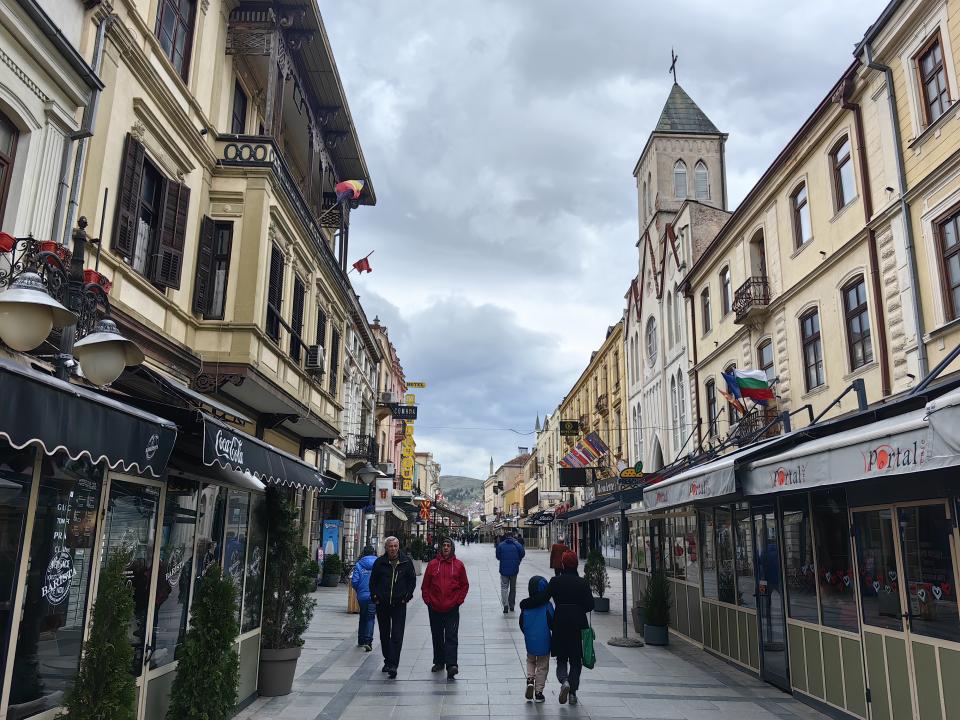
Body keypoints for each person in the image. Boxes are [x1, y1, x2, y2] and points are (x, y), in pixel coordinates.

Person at [548, 551, 594, 706]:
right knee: (575, 660)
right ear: (576, 564)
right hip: (577, 625)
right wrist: (578, 609)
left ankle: (564, 681)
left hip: (560, 622)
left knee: (561, 658)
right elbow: (590, 605)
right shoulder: (582, 583)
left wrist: (527, 603)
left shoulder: (555, 581)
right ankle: (572, 693)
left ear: (563, 564)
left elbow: (543, 598)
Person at [421, 537, 469, 679]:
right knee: (437, 636)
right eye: (444, 545)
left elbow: (464, 585)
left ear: (452, 548)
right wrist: (428, 601)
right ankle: (439, 662)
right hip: (434, 607)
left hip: (452, 607)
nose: (446, 547)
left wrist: (458, 601)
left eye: (448, 545)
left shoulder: (458, 565)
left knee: (451, 636)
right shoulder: (432, 564)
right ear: (440, 548)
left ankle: (452, 665)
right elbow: (425, 585)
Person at [369, 536, 417, 678]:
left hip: (399, 604)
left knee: (397, 635)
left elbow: (412, 580)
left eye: (395, 546)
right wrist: (375, 596)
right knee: (384, 634)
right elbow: (373, 582)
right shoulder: (379, 562)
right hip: (382, 604)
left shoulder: (406, 562)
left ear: (398, 546)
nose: (393, 549)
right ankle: (387, 660)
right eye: (390, 546)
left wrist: (407, 596)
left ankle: (393, 664)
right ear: (386, 548)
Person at [519, 575, 554, 703]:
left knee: (530, 660)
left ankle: (530, 679)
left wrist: (527, 633)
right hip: (544, 639)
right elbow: (552, 622)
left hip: (530, 639)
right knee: (542, 666)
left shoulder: (526, 606)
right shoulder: (547, 605)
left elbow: (521, 623)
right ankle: (539, 693)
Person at [350, 545, 377, 651]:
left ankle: (361, 640)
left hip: (362, 596)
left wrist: (359, 590)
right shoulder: (378, 564)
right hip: (374, 595)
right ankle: (368, 641)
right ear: (373, 552)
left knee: (363, 616)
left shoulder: (359, 564)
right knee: (371, 617)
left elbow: (354, 581)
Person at [495, 531, 525, 613]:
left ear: (505, 536)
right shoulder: (517, 545)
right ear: (513, 536)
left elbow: (498, 556)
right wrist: (518, 560)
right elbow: (522, 554)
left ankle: (505, 604)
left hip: (504, 570)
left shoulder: (501, 545)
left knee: (504, 587)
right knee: (513, 588)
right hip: (514, 570)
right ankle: (511, 605)